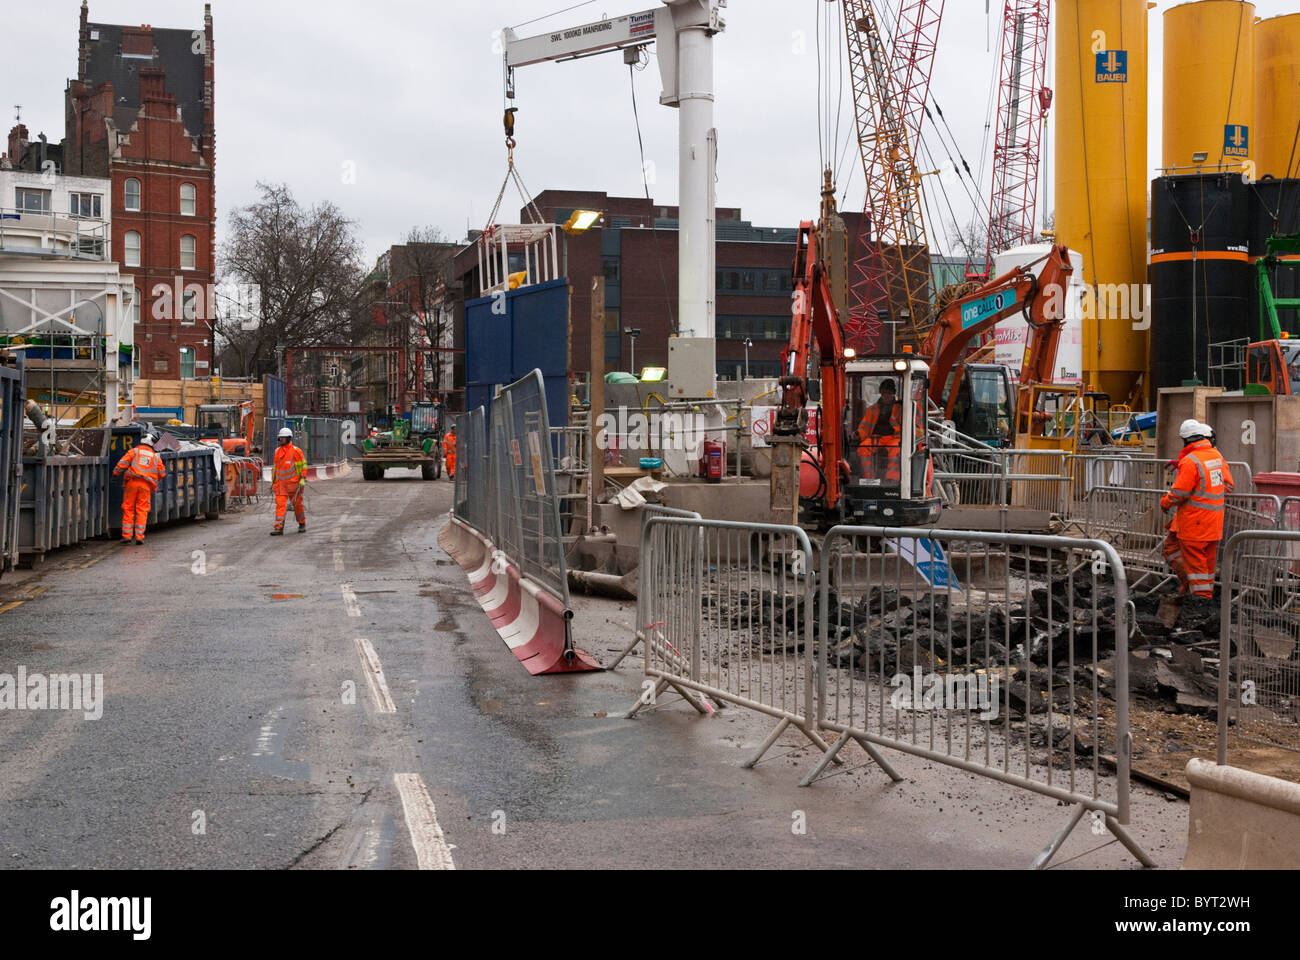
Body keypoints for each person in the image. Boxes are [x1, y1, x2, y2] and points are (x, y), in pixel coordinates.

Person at [1161, 419, 1233, 600]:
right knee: (1205, 566)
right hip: (1213, 523)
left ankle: (1201, 598)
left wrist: (1165, 502)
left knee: (1199, 568)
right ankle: (1197, 591)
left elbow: (1179, 493)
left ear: (1185, 440)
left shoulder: (1191, 461)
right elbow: (1227, 485)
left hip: (1194, 525)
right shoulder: (1215, 457)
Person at [113, 433, 166, 544]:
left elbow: (121, 465)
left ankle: (127, 536)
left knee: (128, 508)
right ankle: (139, 536)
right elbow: (162, 473)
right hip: (146, 486)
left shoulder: (134, 452)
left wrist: (115, 474)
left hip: (132, 484)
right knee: (142, 510)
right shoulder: (155, 457)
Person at [856, 379, 904, 482]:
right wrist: (858, 434)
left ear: (893, 393)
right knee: (863, 447)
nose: (886, 395)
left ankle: (892, 479)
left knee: (897, 449)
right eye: (884, 392)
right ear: (880, 392)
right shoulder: (873, 409)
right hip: (876, 438)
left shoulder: (901, 409)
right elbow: (864, 427)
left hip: (894, 438)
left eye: (889, 392)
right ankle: (869, 479)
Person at [270, 427, 307, 536]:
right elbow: (275, 469)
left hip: (293, 485)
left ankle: (302, 523)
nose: (281, 440)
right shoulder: (277, 452)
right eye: (280, 438)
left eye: (283, 438)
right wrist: (273, 483)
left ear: (289, 438)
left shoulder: (296, 451)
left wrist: (302, 483)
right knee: (280, 505)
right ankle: (279, 528)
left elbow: (303, 467)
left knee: (297, 505)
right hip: (281, 485)